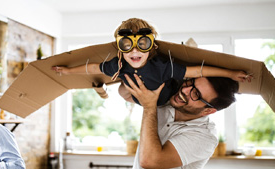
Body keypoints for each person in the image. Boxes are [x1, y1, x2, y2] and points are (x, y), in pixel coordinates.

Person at [52, 18, 251, 106]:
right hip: (137, 98)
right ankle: (104, 91)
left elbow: (198, 71)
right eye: (128, 44)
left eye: (143, 43)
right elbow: (94, 67)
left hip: (164, 99)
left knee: (180, 78)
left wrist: (230, 73)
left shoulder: (163, 67)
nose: (135, 50)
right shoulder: (119, 64)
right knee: (121, 90)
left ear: (152, 47)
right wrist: (68, 71)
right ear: (120, 47)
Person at [123, 74, 239, 169]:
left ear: (208, 110)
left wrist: (149, 106)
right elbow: (125, 93)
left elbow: (150, 160)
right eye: (191, 83)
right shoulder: (168, 100)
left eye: (196, 94)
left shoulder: (205, 136)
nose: (184, 90)